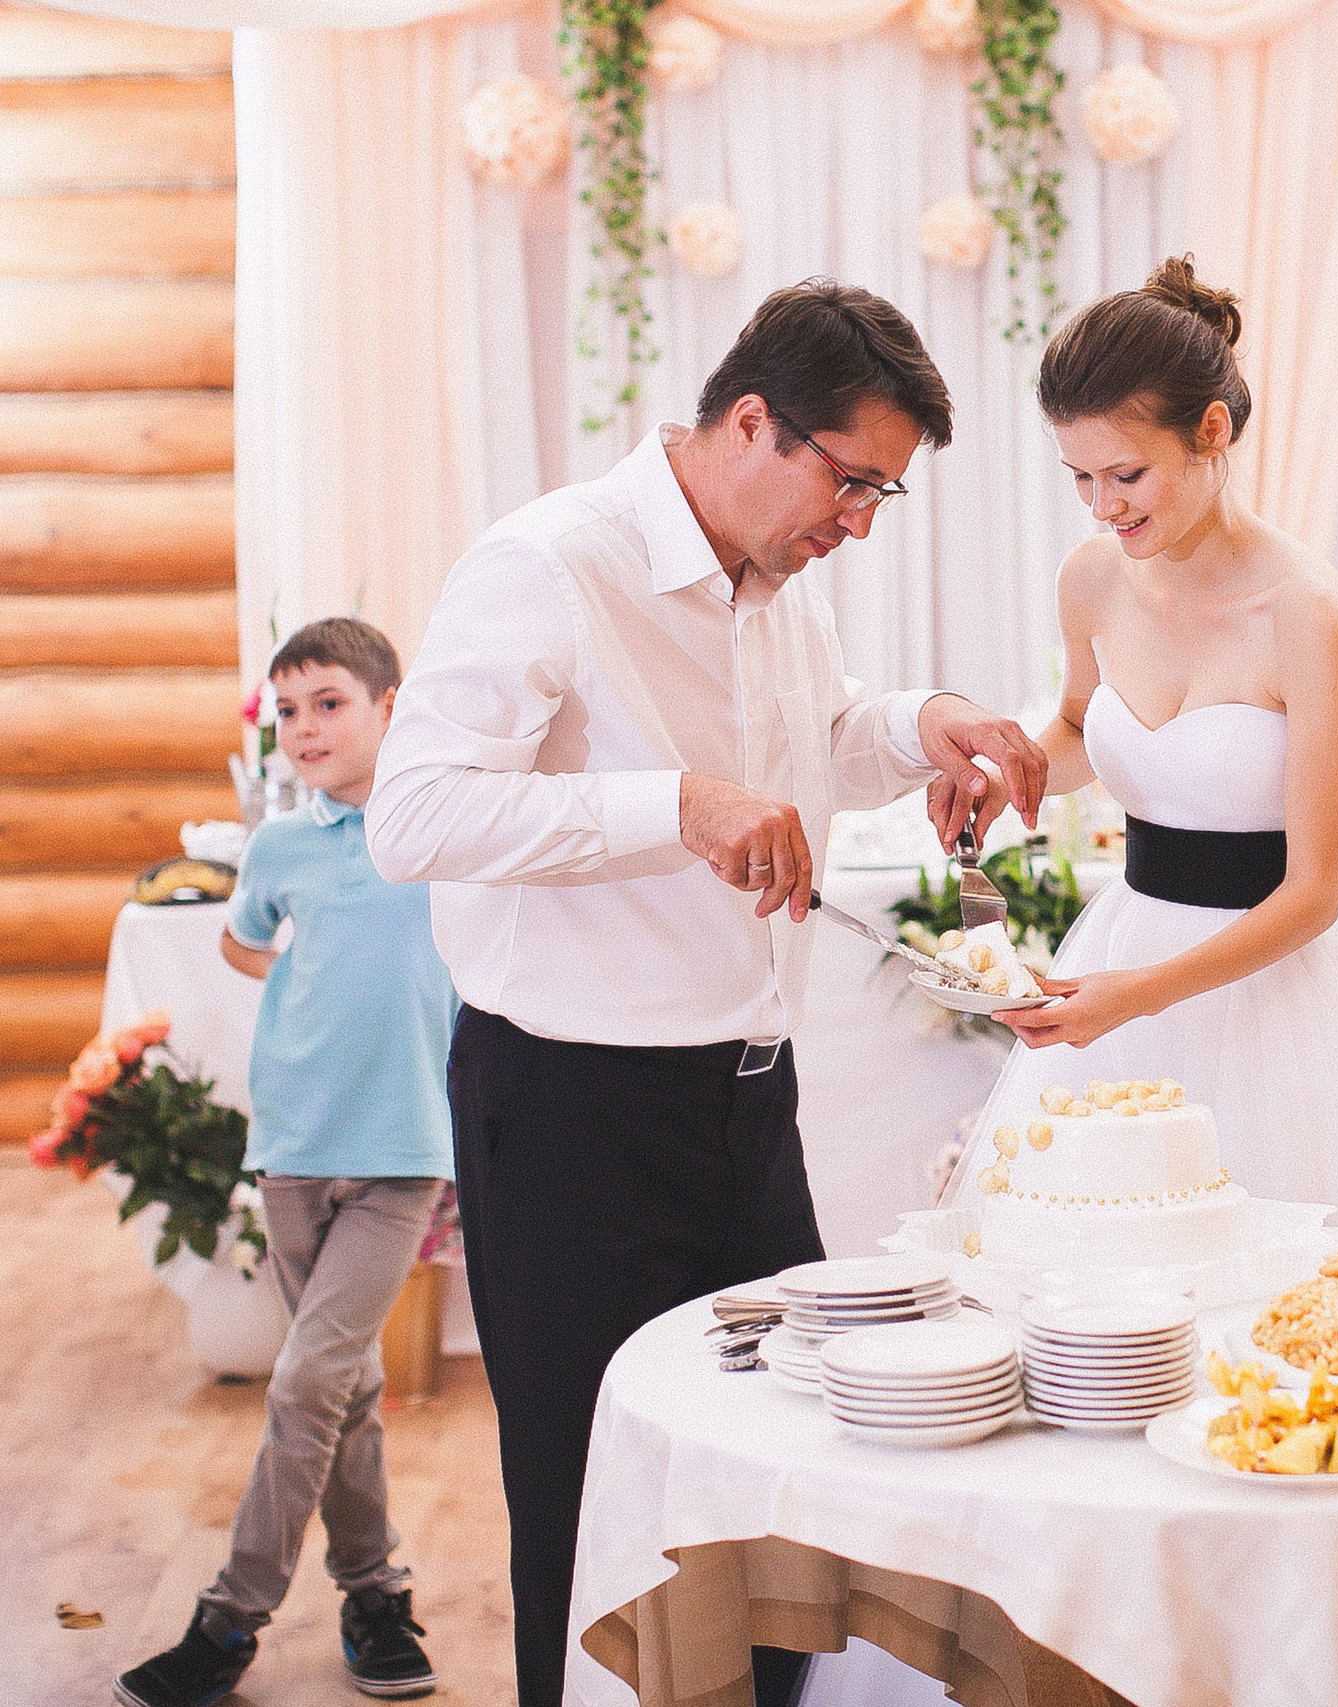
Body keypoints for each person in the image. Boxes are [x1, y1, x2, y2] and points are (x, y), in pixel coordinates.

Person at [365, 282, 1046, 1707]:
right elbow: (412, 815)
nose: (859, 519)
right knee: (597, 1503)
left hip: (747, 1096)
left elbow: (812, 737)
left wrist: (929, 725)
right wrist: (670, 806)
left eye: (886, 494)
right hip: (571, 1107)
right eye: (851, 479)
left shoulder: (771, 584)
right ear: (752, 421)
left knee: (782, 1485)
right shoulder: (549, 562)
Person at [939, 255, 1338, 1232]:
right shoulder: (1093, 580)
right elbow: (1082, 726)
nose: (1103, 506)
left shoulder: (1306, 610)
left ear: (1211, 433)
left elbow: (1316, 893)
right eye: (1078, 477)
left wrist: (1137, 998)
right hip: (1122, 945)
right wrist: (1012, 770)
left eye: (1127, 475)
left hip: (1277, 986)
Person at [118, 620, 457, 1707]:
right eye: (288, 710)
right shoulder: (278, 850)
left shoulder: (441, 832)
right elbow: (242, 939)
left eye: (329, 703)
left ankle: (227, 1622)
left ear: (389, 705)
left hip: (402, 1151)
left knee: (309, 1379)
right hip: (293, 1145)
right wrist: (309, 978)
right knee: (344, 1387)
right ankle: (375, 1593)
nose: (304, 728)